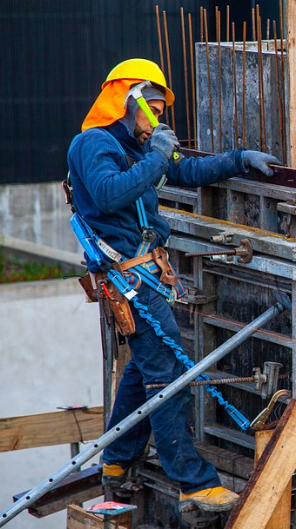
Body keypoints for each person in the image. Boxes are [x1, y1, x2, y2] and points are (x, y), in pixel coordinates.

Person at [66, 58, 279, 512]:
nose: (159, 119)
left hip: (143, 275)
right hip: (128, 278)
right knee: (169, 378)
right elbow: (108, 193)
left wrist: (239, 160)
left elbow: (187, 171)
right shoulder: (93, 144)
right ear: (130, 99)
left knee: (145, 369)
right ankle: (193, 481)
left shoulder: (144, 146)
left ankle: (118, 460)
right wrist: (159, 155)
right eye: (155, 108)